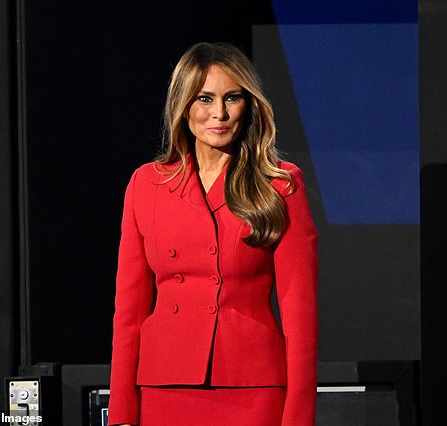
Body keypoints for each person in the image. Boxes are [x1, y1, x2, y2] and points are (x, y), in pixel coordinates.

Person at [108, 42, 318, 426]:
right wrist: (122, 412)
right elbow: (129, 311)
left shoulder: (280, 184)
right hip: (164, 387)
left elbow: (299, 311)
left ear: (248, 105)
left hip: (251, 389)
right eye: (204, 98)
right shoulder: (146, 185)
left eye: (232, 98)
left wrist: (299, 417)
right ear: (184, 105)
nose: (218, 113)